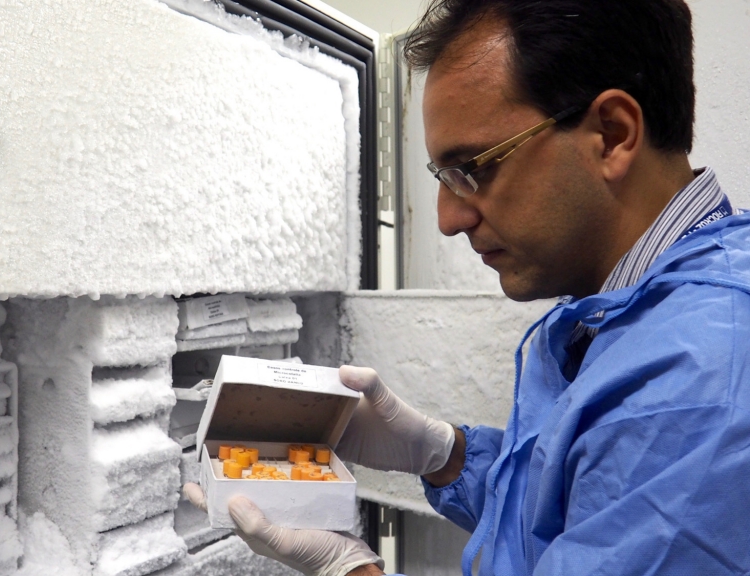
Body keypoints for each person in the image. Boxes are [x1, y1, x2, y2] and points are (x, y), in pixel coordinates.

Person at [186, 0, 750, 574]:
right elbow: (571, 512)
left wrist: (349, 568)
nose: (447, 218)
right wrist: (445, 455)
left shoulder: (700, 383)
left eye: (472, 167)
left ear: (611, 134)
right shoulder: (644, 305)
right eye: (441, 177)